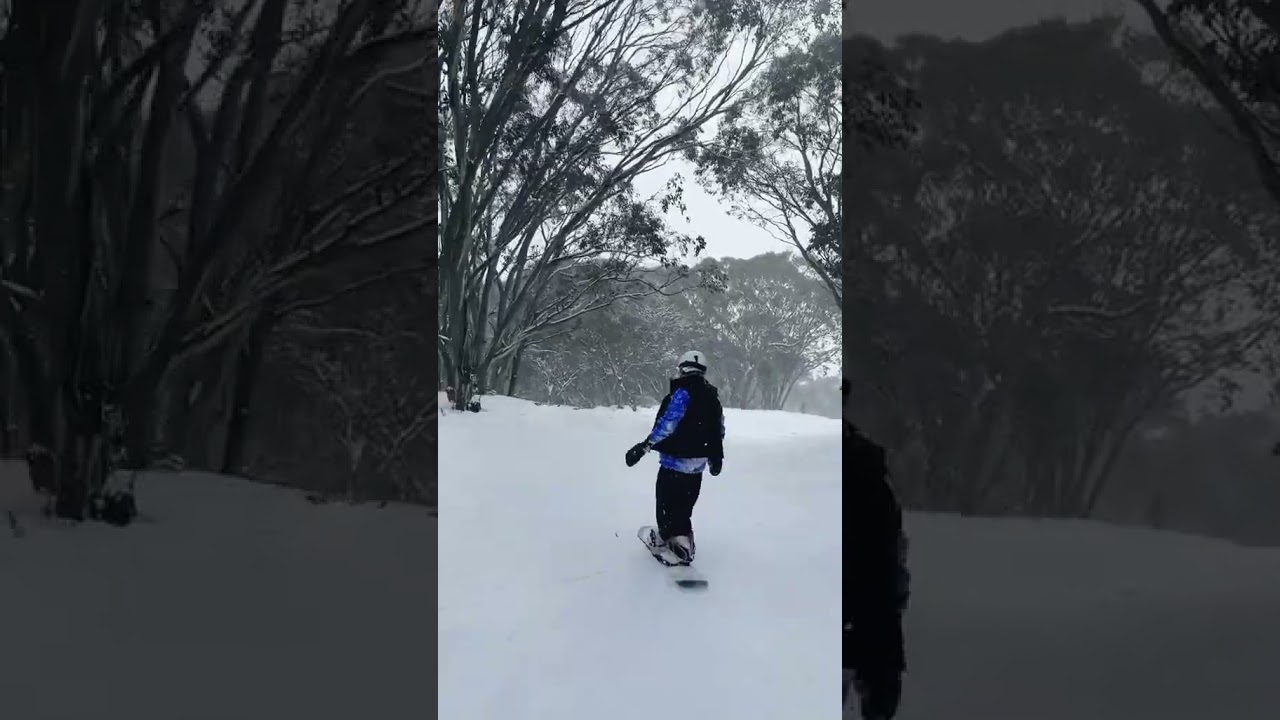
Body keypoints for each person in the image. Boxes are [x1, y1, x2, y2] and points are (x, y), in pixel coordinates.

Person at [843, 379, 910, 719]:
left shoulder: (867, 463)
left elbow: (892, 537)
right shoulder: (868, 461)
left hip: (863, 596)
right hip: (870, 598)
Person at [624, 350, 725, 565]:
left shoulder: (682, 393)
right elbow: (719, 429)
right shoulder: (712, 396)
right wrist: (716, 457)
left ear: (682, 368)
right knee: (685, 505)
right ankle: (683, 538)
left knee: (666, 502)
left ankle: (673, 541)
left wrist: (645, 445)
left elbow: (668, 424)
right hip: (698, 464)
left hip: (675, 461)